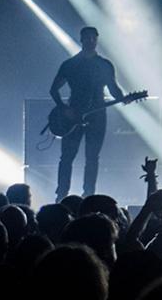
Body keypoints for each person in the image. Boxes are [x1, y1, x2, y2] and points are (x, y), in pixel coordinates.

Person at [50, 26, 125, 201]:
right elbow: (54, 89)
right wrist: (64, 108)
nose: (90, 41)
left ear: (97, 40)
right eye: (87, 38)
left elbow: (113, 89)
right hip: (73, 116)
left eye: (93, 38)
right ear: (81, 39)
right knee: (67, 156)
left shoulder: (104, 65)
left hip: (97, 116)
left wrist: (123, 97)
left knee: (92, 157)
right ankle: (61, 195)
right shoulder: (70, 64)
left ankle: (88, 195)